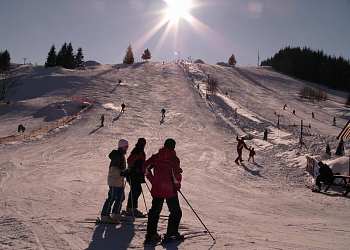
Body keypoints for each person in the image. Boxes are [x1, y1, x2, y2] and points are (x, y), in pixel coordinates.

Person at [142, 139, 183, 244]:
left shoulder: (156, 157)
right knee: (175, 212)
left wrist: (152, 179)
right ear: (173, 147)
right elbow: (176, 175)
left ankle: (151, 234)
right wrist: (177, 186)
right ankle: (171, 233)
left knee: (154, 211)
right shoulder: (174, 159)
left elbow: (145, 167)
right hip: (170, 190)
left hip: (157, 189)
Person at [100, 139, 129, 223]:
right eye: (126, 146)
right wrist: (122, 173)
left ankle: (116, 213)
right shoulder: (117, 156)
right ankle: (105, 215)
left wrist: (125, 172)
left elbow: (120, 169)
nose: (127, 147)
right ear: (121, 146)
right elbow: (113, 170)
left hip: (119, 181)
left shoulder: (121, 155)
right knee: (112, 197)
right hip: (114, 181)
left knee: (121, 197)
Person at [125, 138, 147, 217]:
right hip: (135, 174)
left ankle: (130, 208)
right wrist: (134, 168)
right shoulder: (138, 150)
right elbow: (130, 160)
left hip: (135, 174)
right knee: (136, 190)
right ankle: (132, 209)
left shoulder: (138, 150)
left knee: (135, 190)